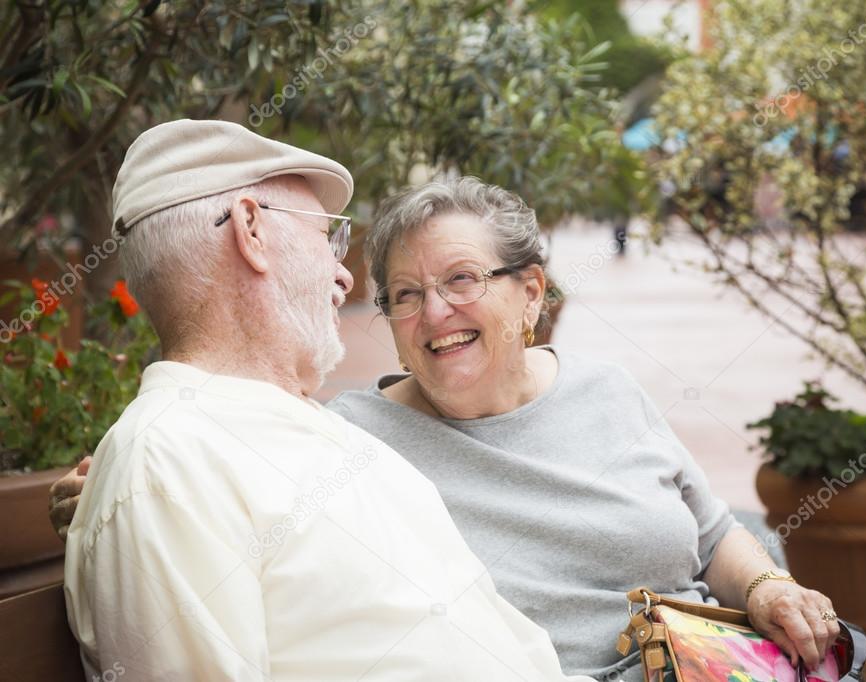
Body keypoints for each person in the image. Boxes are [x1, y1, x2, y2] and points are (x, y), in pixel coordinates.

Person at [52, 175, 841, 681]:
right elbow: (221, 453)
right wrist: (99, 492)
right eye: (402, 294)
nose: (434, 314)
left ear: (529, 292)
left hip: (714, 664)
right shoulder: (352, 438)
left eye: (462, 280)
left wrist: (769, 586)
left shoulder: (607, 392)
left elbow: (709, 533)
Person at [59, 120, 593, 682]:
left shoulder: (322, 433)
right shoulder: (167, 464)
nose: (343, 276)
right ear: (251, 231)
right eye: (328, 238)